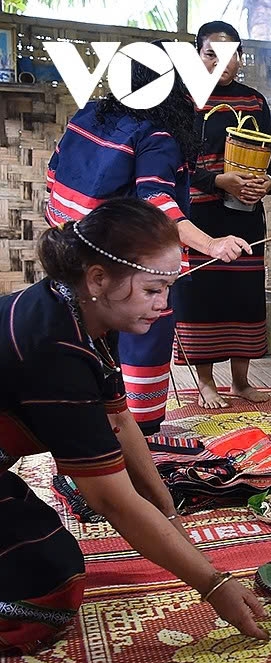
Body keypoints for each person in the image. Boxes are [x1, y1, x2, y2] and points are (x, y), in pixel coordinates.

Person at [1, 199, 268, 655]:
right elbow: (109, 499)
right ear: (98, 278)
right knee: (46, 585)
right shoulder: (54, 344)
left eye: (169, 289)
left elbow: (121, 423)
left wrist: (169, 513)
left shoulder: (81, 311)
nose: (164, 305)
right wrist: (213, 584)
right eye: (152, 290)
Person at [46, 40, 251, 434]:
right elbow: (157, 201)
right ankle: (140, 440)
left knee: (84, 347)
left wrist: (66, 231)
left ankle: (85, 436)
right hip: (127, 265)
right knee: (142, 341)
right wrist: (212, 244)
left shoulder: (89, 115)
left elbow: (54, 177)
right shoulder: (157, 135)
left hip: (73, 260)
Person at [173, 21, 271, 409]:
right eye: (210, 53)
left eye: (231, 53)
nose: (222, 62)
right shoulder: (183, 103)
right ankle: (205, 383)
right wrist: (219, 181)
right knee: (202, 294)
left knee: (244, 296)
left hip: (245, 217)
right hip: (198, 220)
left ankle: (241, 381)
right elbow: (175, 165)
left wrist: (266, 185)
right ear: (198, 55)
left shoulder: (254, 102)